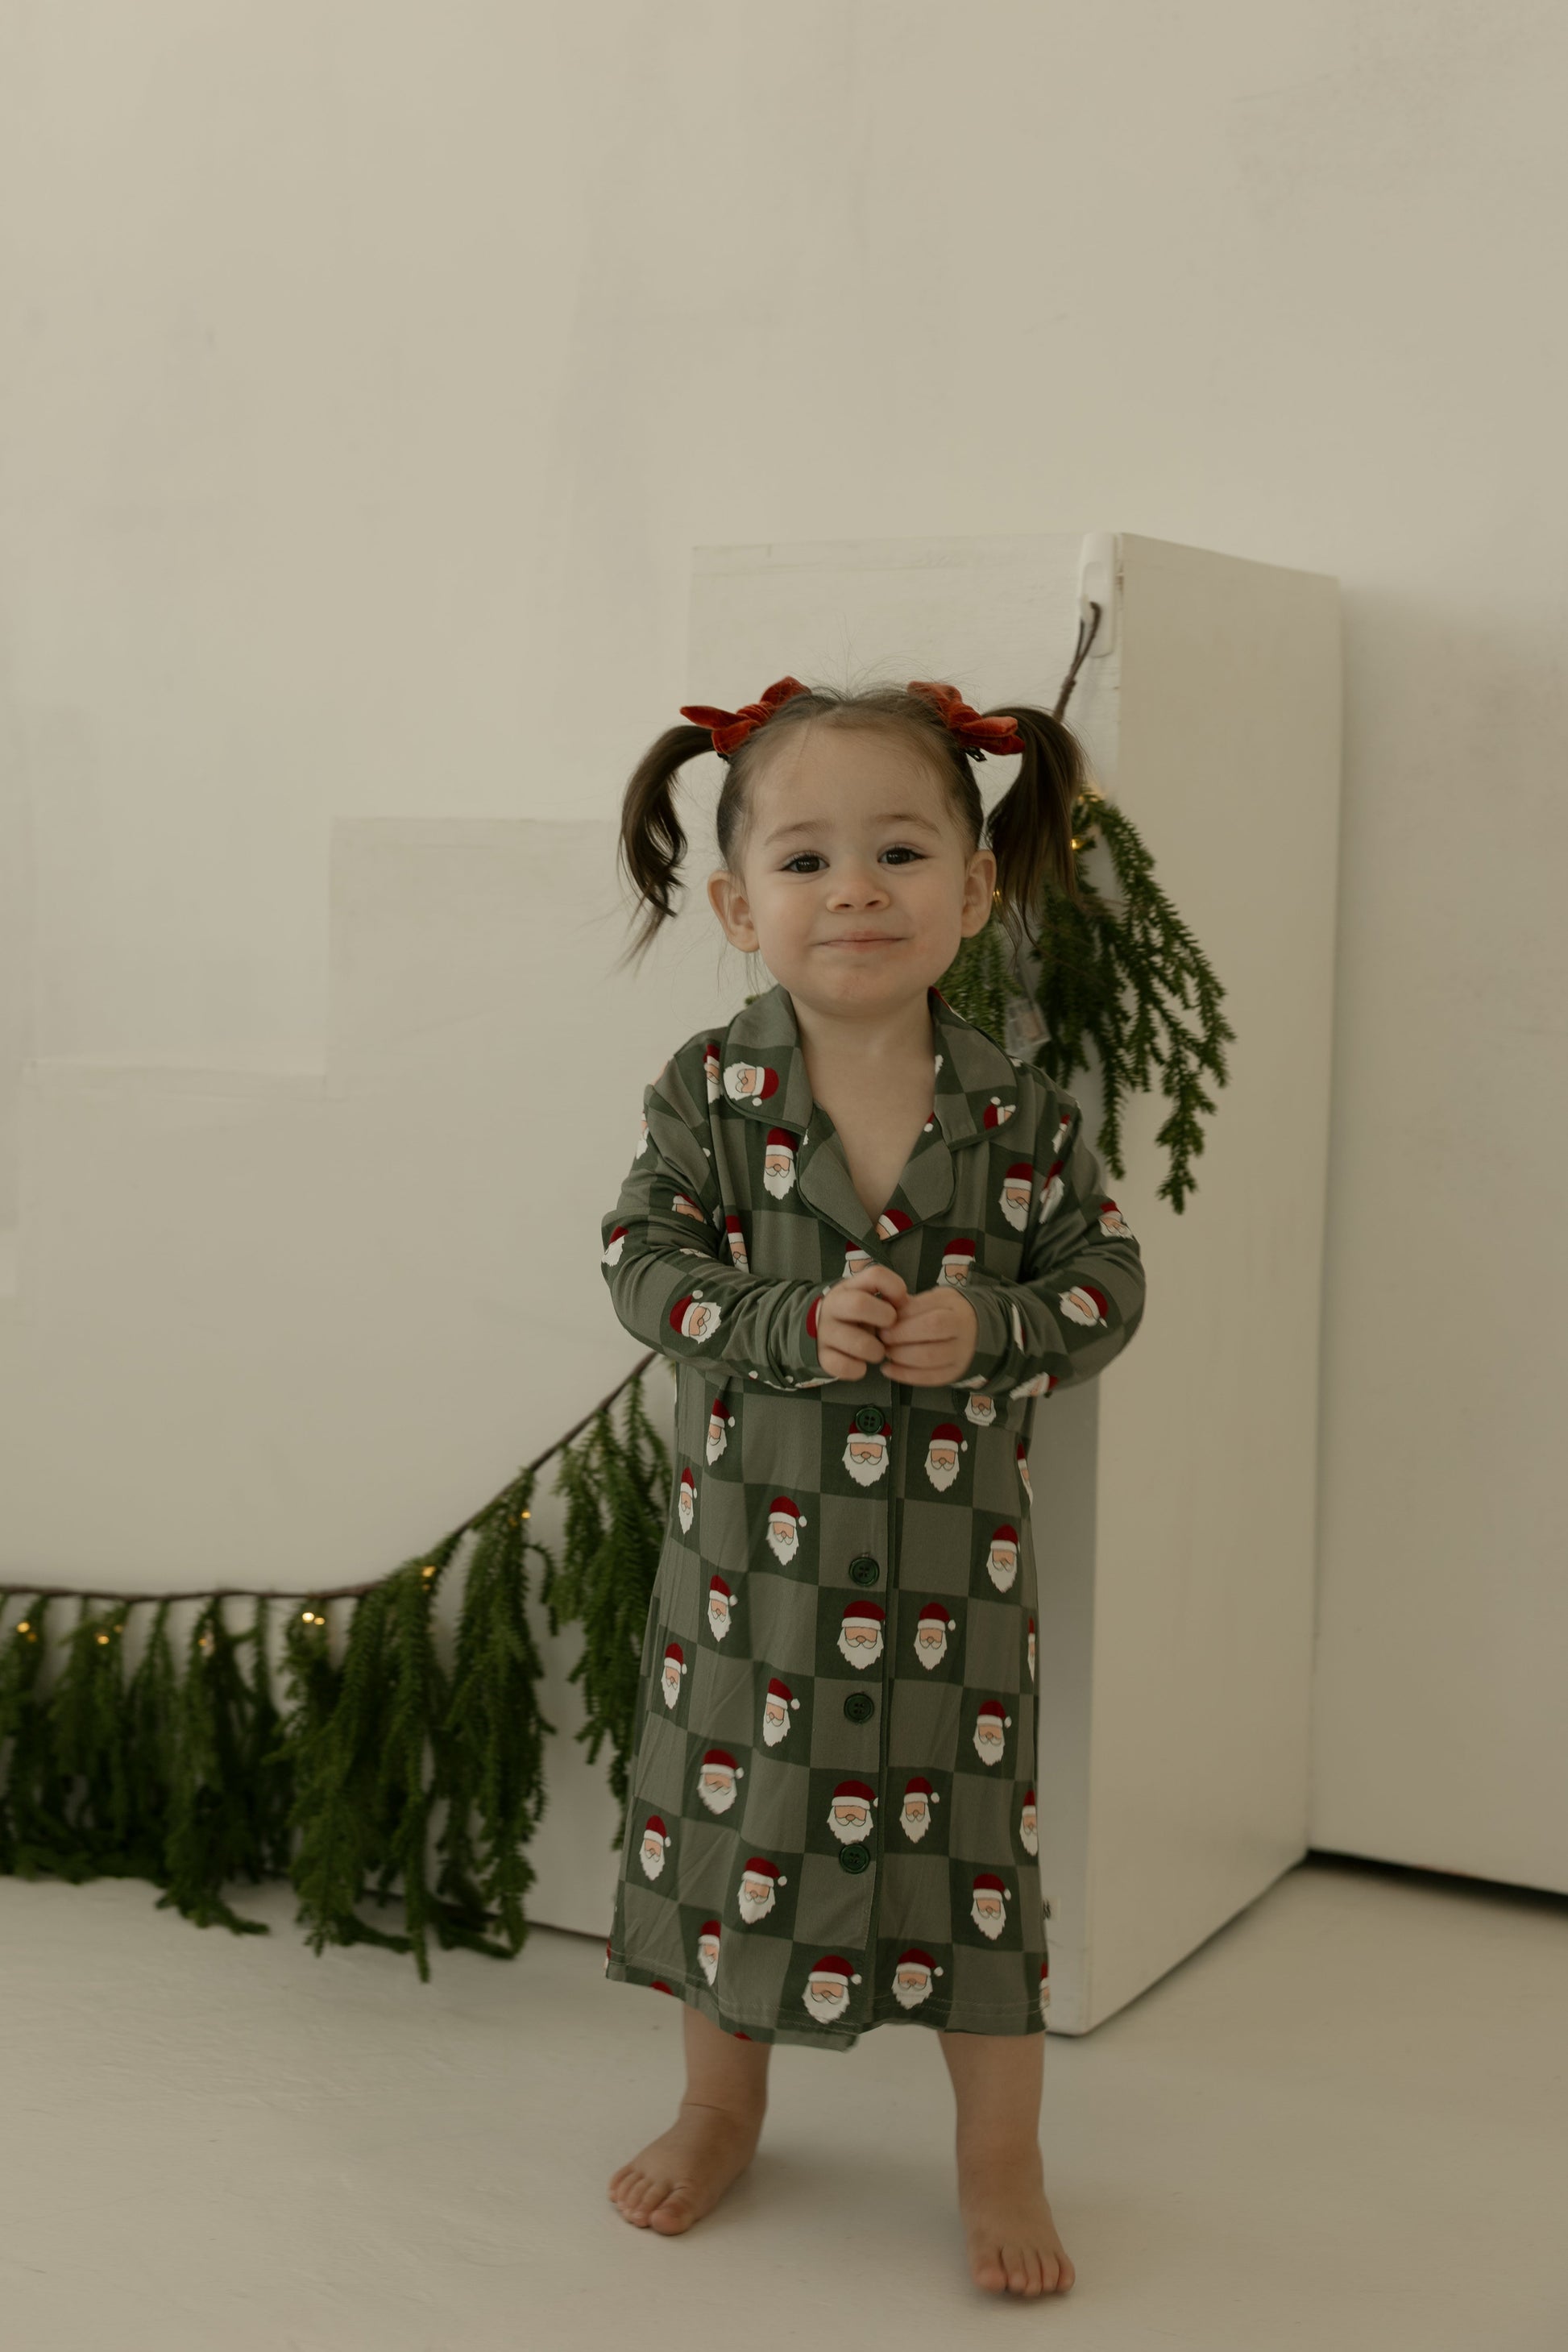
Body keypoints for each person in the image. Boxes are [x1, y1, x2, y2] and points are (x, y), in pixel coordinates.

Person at [596, 674, 1147, 2296]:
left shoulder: (1021, 1114)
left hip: (948, 1598)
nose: (854, 891)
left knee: (972, 1861)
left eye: (899, 852)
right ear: (737, 905)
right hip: (746, 1590)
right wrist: (782, 1321)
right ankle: (718, 2105)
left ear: (971, 892)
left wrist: (996, 1329)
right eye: (805, 860)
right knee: (733, 1827)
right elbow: (641, 1262)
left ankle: (999, 2156)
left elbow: (1107, 1282)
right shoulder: (709, 1093)